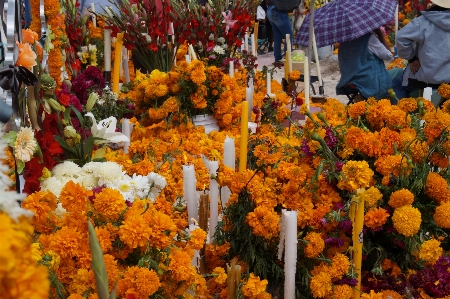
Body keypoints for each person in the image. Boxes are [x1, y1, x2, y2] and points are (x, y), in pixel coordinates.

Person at [392, 0, 450, 100]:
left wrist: (412, 59)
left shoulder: (423, 21)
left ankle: (403, 112)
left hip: (427, 79)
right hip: (447, 80)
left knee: (397, 83)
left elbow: (401, 37)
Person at [336, 28, 394, 101]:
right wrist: (380, 34)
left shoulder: (343, 41)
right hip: (368, 81)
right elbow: (388, 56)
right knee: (398, 74)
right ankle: (393, 108)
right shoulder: (369, 38)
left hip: (348, 80)